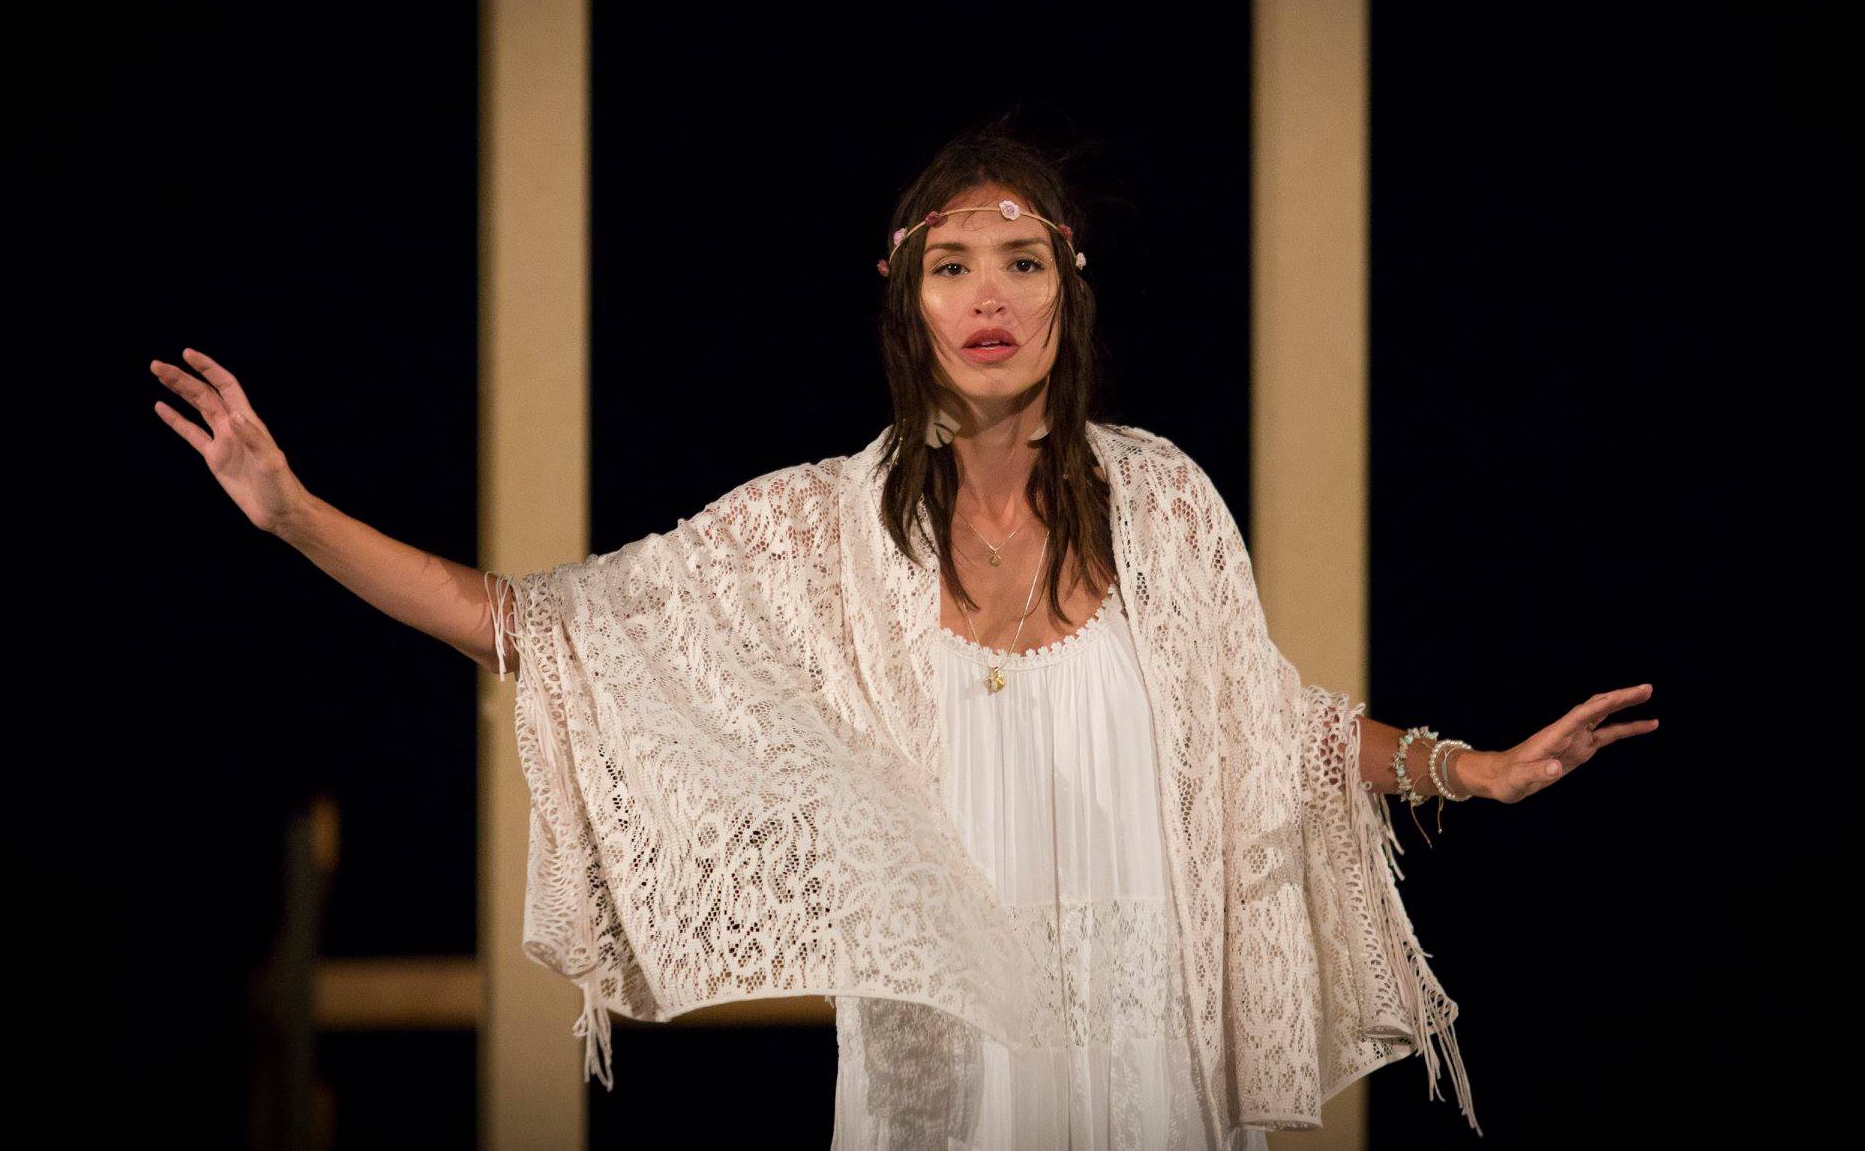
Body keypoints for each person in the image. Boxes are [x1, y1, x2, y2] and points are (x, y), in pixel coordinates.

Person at [151, 122, 1658, 1147]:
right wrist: (293, 514)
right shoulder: (818, 533)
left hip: (1147, 1064)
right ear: (905, 298)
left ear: (1068, 290)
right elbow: (534, 627)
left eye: (1021, 262)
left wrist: (1470, 770)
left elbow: (1276, 730)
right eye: (952, 265)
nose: (988, 295)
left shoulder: (1164, 503)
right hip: (946, 1083)